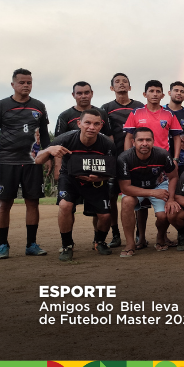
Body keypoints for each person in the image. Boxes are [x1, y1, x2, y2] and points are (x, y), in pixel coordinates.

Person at [35, 109, 117, 261]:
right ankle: (67, 245)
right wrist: (49, 149)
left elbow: (112, 170)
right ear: (79, 124)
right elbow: (38, 160)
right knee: (65, 206)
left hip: (95, 182)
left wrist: (99, 178)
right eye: (87, 123)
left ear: (100, 126)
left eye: (96, 124)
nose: (91, 127)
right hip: (70, 179)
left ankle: (100, 241)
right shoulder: (65, 138)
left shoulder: (107, 144)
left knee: (105, 216)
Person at [0, 68, 51, 259]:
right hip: (7, 161)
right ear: (13, 84)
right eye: (22, 82)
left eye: (29, 82)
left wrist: (48, 156)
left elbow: (44, 135)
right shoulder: (1, 105)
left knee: (32, 202)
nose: (26, 85)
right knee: (4, 204)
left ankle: (31, 244)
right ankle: (3, 245)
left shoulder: (39, 106)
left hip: (33, 161)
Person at [123, 80, 183, 249]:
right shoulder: (136, 113)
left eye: (158, 91)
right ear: (145, 94)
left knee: (162, 204)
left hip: (161, 164)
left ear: (163, 95)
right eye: (151, 91)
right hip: (138, 162)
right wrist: (128, 157)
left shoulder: (169, 115)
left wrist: (176, 158)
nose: (155, 94)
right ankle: (140, 238)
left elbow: (177, 137)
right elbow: (128, 137)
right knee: (140, 205)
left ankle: (161, 237)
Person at [117, 127, 180, 256]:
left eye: (148, 140)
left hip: (157, 184)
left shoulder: (162, 154)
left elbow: (173, 176)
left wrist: (172, 199)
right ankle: (130, 244)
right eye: (140, 140)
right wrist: (152, 193)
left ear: (153, 141)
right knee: (127, 201)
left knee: (163, 215)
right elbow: (125, 188)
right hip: (135, 187)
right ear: (133, 142)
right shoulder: (124, 158)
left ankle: (161, 237)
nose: (144, 143)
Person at [101, 72, 144, 248]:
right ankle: (116, 234)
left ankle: (139, 236)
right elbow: (105, 136)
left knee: (137, 196)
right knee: (111, 197)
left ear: (130, 87)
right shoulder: (105, 108)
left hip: (136, 160)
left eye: (124, 81)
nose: (121, 84)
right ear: (112, 88)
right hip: (113, 159)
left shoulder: (140, 106)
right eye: (117, 82)